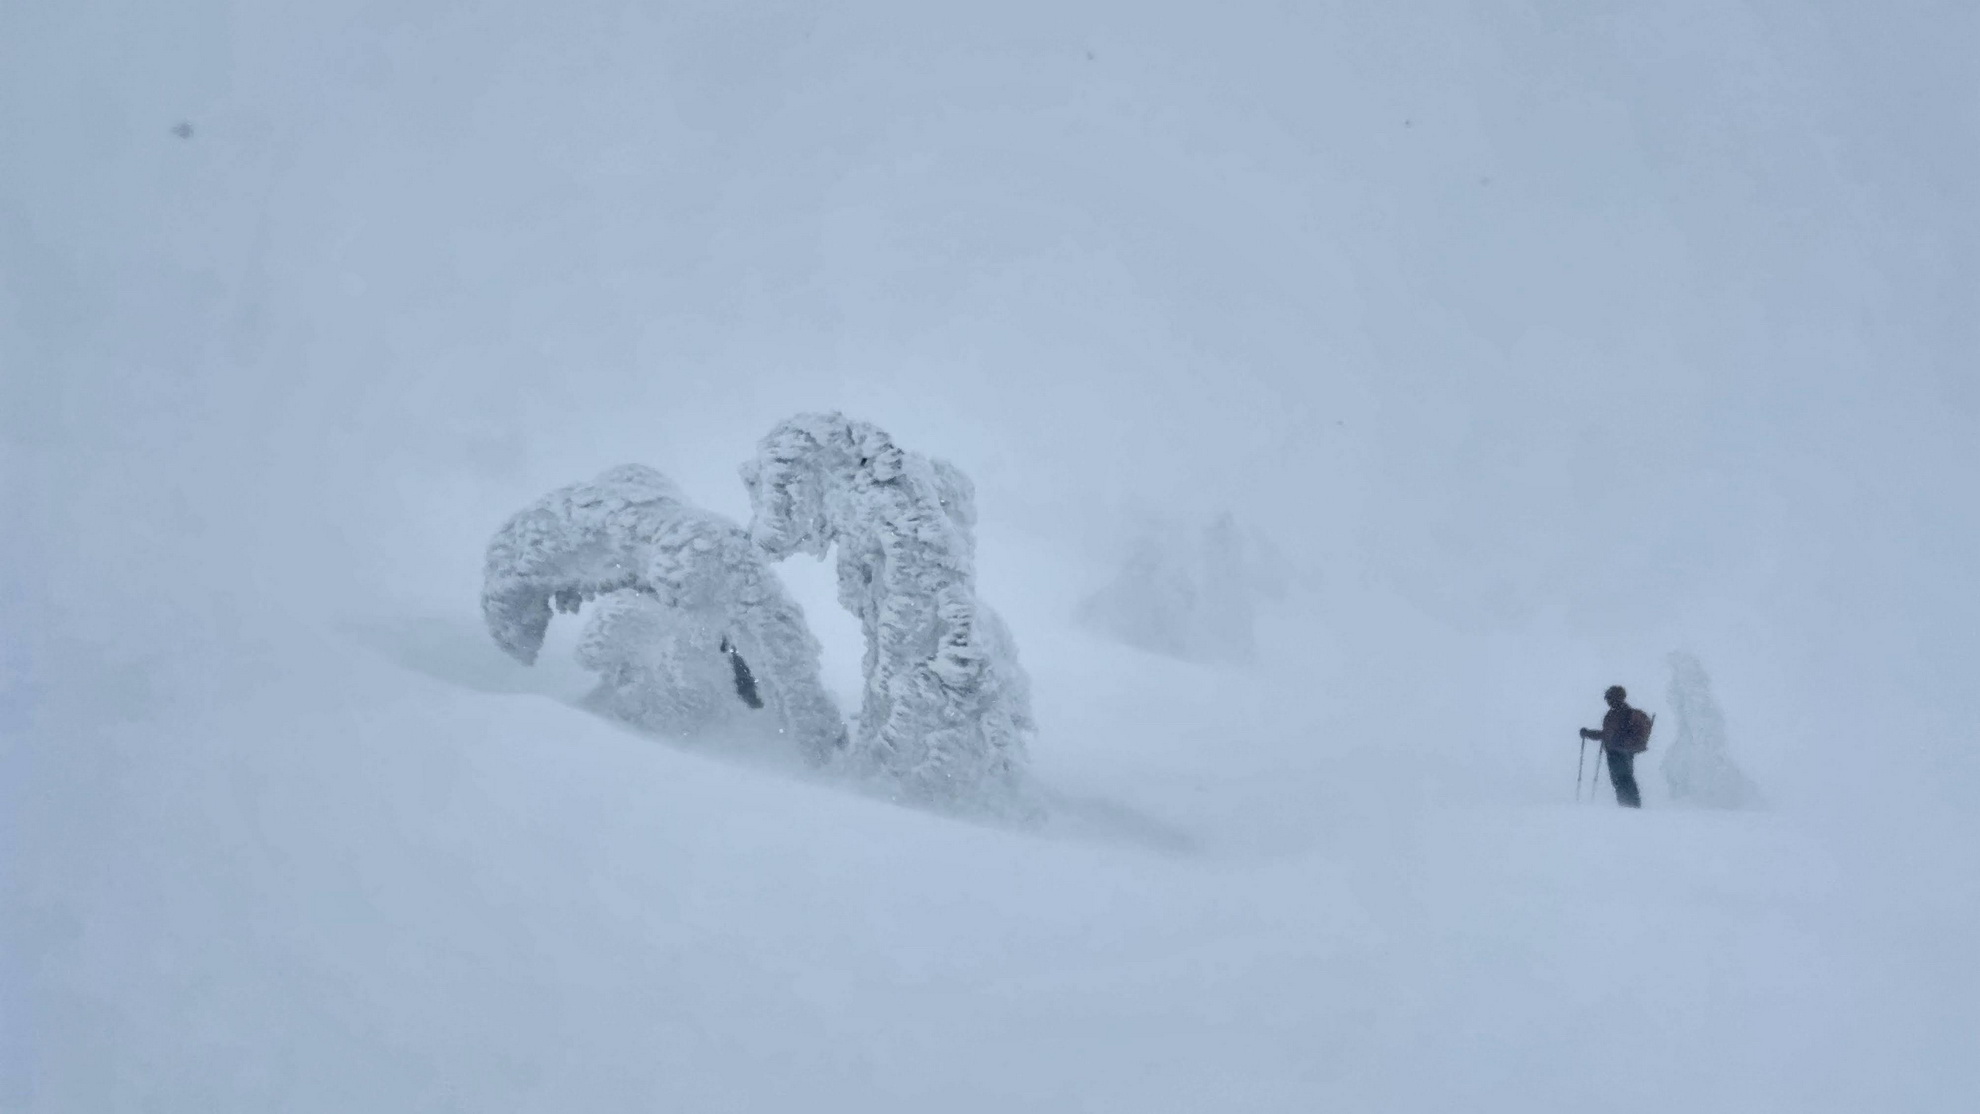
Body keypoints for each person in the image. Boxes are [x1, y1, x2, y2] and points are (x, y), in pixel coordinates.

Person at [1580, 685, 1647, 808]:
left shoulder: (1618, 714)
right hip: (1624, 751)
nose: (1608, 701)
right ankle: (1632, 805)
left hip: (1617, 751)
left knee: (1621, 779)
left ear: (1616, 698)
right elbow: (1608, 734)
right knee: (1625, 779)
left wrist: (1588, 734)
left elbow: (1607, 734)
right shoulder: (1622, 712)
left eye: (1609, 698)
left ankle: (1628, 806)